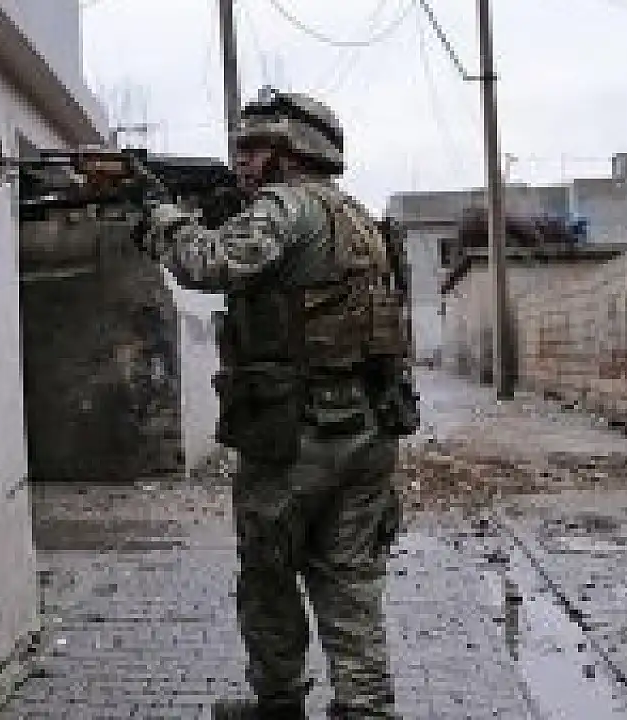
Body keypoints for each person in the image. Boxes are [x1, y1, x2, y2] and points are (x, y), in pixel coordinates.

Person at [138, 87, 419, 719]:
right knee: (350, 577)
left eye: (254, 147)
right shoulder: (358, 217)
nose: (240, 159)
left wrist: (162, 217)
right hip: (368, 427)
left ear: (292, 152)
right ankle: (366, 708)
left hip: (297, 437)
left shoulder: (286, 206)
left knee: (269, 575)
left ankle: (279, 704)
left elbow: (211, 263)